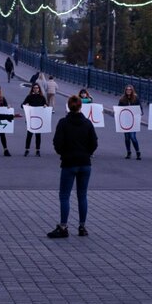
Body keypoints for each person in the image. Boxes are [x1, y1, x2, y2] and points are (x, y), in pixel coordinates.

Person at [48, 95, 99, 238]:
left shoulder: (63, 123)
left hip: (69, 163)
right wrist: (87, 153)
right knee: (82, 195)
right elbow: (94, 143)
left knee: (64, 196)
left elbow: (57, 143)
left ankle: (63, 226)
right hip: (85, 163)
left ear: (68, 106)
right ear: (81, 107)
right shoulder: (87, 123)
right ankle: (82, 227)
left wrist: (63, 153)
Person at [116, 84, 143, 160]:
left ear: (132, 90)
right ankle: (129, 152)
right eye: (127, 89)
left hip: (133, 121)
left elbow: (140, 108)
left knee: (133, 137)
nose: (128, 91)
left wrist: (140, 113)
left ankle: (138, 152)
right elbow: (119, 108)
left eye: (130, 89)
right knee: (127, 137)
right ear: (125, 90)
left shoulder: (136, 98)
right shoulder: (122, 99)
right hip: (125, 120)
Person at [22, 82, 48, 157]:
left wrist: (45, 105)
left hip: (39, 119)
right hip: (31, 118)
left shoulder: (42, 97)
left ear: (39, 89)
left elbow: (46, 105)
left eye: (37, 88)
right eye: (34, 88)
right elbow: (22, 105)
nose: (36, 89)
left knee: (38, 135)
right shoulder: (29, 97)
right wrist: (26, 105)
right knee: (29, 135)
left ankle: (38, 150)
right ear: (32, 89)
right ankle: (27, 149)